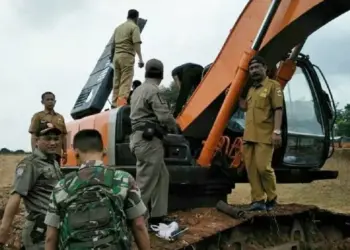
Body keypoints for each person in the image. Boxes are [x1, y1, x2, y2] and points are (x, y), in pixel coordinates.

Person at [44, 129, 150, 250]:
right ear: (104, 151)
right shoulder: (123, 179)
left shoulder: (62, 186)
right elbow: (139, 225)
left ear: (76, 153)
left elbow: (50, 237)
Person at [0, 122, 63, 250]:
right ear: (36, 141)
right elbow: (16, 196)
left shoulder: (53, 163)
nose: (53, 143)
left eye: (55, 139)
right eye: (47, 139)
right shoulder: (30, 164)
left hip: (53, 226)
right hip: (39, 230)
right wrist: (4, 230)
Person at [129, 59, 177, 225]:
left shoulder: (137, 90)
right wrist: (176, 126)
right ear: (162, 75)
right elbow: (164, 116)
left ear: (146, 72)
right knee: (145, 182)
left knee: (162, 176)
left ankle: (157, 216)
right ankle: (134, 221)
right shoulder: (154, 90)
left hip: (139, 139)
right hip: (148, 141)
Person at [239, 55, 283, 211]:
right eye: (251, 69)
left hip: (265, 135)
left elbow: (278, 109)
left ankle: (272, 198)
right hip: (249, 135)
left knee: (263, 168)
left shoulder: (273, 86)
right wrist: (235, 96)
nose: (254, 71)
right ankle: (257, 200)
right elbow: (245, 107)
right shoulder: (251, 89)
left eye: (257, 67)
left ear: (265, 68)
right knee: (251, 170)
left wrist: (277, 131)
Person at [110, 9, 144, 108]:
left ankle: (114, 104)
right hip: (127, 56)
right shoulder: (134, 27)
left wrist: (112, 58)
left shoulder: (118, 28)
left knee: (116, 82)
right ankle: (120, 105)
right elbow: (136, 43)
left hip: (116, 57)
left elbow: (112, 45)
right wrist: (140, 59)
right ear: (136, 18)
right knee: (125, 82)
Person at [29, 92, 68, 165]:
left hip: (57, 153)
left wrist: (65, 152)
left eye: (52, 100)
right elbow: (34, 136)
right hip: (42, 153)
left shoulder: (60, 117)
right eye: (47, 99)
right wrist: (34, 152)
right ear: (42, 102)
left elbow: (63, 136)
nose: (50, 101)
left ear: (55, 101)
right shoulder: (38, 116)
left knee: (55, 173)